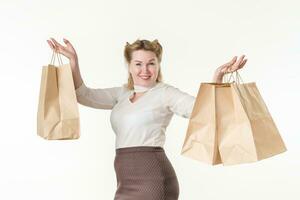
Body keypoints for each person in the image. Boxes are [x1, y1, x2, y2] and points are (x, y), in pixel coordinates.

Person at [47, 38, 247, 200]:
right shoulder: (122, 94)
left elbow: (202, 110)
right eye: (139, 64)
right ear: (129, 66)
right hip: (125, 181)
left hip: (153, 179)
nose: (145, 70)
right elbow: (83, 95)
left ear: (158, 65)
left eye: (151, 63)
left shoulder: (165, 93)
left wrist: (217, 79)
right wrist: (74, 61)